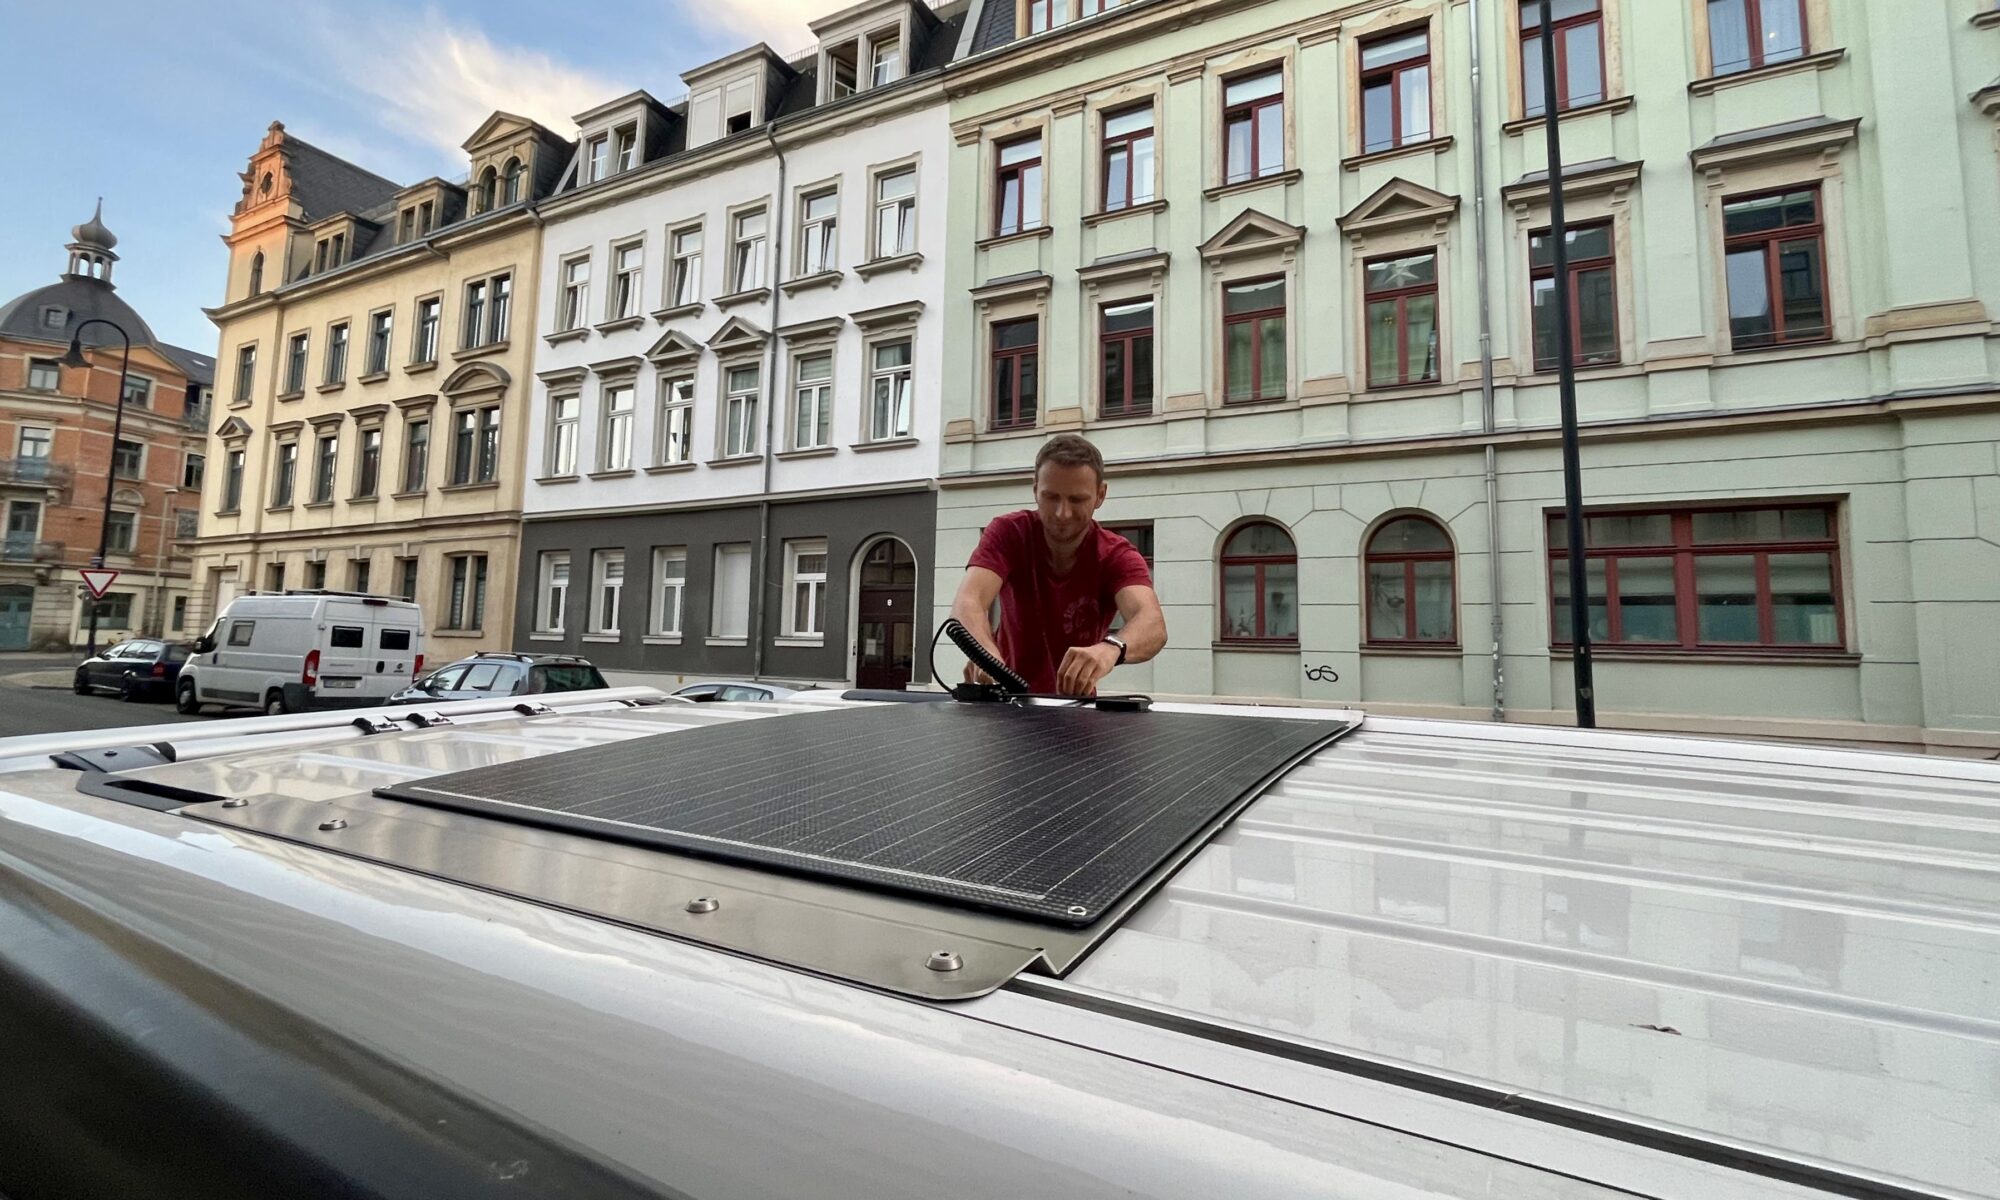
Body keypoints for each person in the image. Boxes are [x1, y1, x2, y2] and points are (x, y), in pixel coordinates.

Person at [950, 433, 1166, 696]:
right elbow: (968, 601)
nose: (1062, 513)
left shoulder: (1116, 555)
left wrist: (1110, 649)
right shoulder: (1009, 533)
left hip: (1076, 711)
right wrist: (985, 655)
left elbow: (1152, 624)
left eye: (1077, 500)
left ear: (1100, 495)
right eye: (1051, 497)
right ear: (1034, 490)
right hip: (1005, 701)